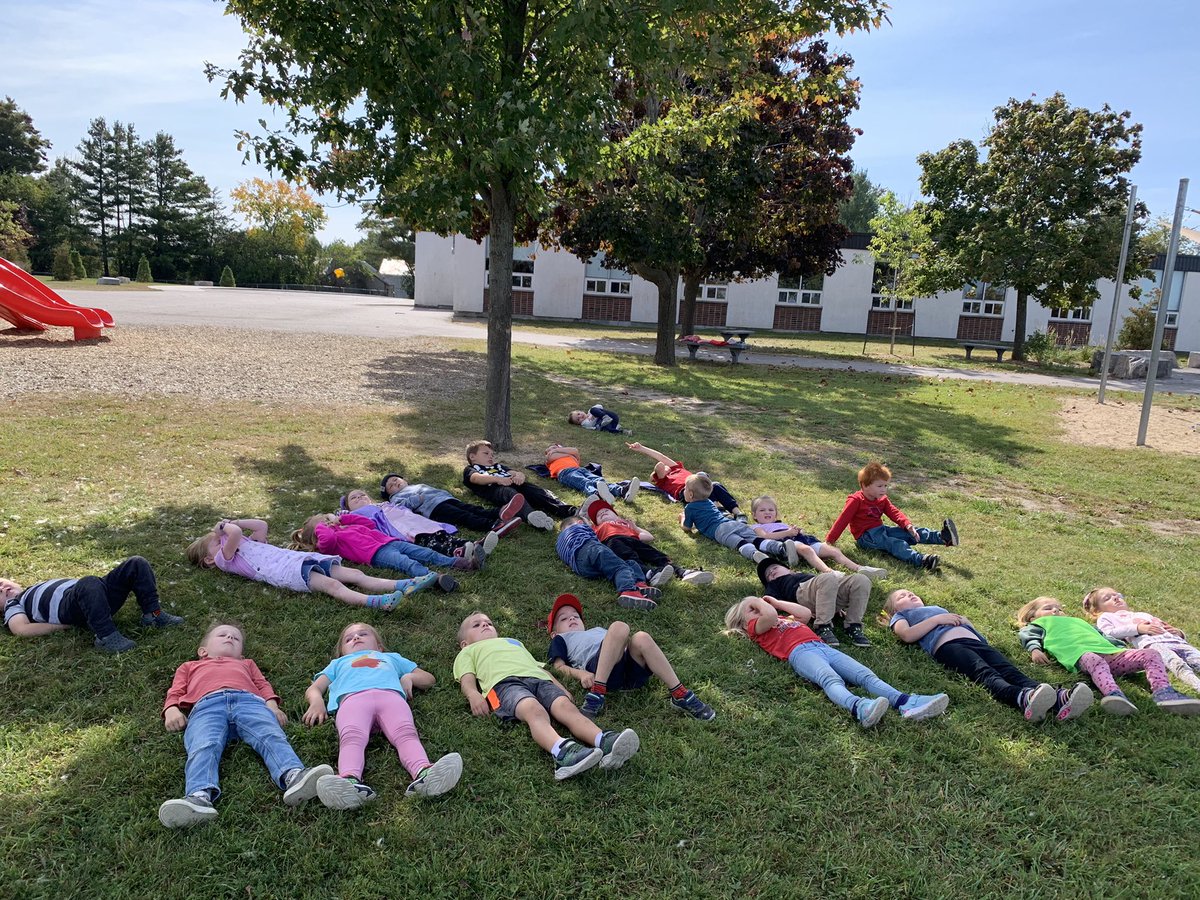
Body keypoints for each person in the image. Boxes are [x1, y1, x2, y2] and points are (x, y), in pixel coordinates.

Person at [158, 621, 339, 828]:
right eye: (223, 635)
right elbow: (176, 690)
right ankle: (198, 796)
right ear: (203, 651)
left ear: (241, 655)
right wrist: (171, 709)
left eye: (235, 638)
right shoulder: (190, 666)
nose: (229, 638)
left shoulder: (246, 664)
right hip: (207, 707)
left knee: (270, 735)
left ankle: (294, 775)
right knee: (203, 744)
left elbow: (262, 684)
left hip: (250, 703)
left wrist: (272, 706)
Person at [453, 611, 640, 781]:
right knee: (534, 710)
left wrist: (560, 687)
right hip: (503, 685)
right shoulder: (468, 651)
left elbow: (536, 667)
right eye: (476, 625)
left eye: (488, 622)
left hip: (539, 679)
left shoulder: (514, 642)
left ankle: (602, 740)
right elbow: (466, 677)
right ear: (464, 643)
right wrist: (473, 695)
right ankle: (562, 752)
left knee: (566, 707)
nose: (485, 625)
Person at [302, 622, 463, 808]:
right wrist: (316, 702)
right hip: (353, 702)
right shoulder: (338, 664)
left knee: (406, 733)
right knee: (351, 737)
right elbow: (315, 688)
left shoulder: (391, 658)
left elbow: (428, 678)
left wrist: (408, 677)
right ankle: (349, 781)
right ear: (342, 652)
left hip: (391, 699)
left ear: (379, 646)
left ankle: (424, 772)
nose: (356, 638)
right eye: (349, 638)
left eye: (363, 634)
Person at [724, 595, 950, 728]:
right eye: (752, 611)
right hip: (799, 653)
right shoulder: (756, 628)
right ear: (744, 624)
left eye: (757, 607)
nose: (759, 610)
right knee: (830, 679)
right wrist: (753, 599)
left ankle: (905, 703)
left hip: (821, 646)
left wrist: (774, 601)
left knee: (865, 675)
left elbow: (804, 613)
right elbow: (769, 616)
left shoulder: (781, 618)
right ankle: (859, 707)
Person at [883, 589, 1093, 722]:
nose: (909, 595)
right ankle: (1021, 698)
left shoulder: (936, 608)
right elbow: (907, 635)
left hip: (976, 643)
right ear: (893, 610)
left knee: (1010, 670)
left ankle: (1056, 698)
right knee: (985, 674)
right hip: (949, 647)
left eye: (911, 593)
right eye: (901, 596)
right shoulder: (903, 616)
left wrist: (966, 622)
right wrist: (939, 620)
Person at [186, 518, 436, 610]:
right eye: (218, 541)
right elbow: (236, 534)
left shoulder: (247, 543)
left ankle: (405, 584)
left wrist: (235, 520)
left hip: (298, 559)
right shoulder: (224, 559)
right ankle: (374, 602)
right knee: (332, 585)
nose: (223, 539)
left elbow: (261, 525)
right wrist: (223, 527)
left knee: (353, 573)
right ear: (210, 559)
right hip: (286, 571)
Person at [1016, 597, 1200, 716]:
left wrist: (1120, 647)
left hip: (1114, 655)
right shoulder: (1039, 624)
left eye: (1059, 609)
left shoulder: (1078, 621)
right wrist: (1035, 649)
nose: (1056, 611)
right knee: (1095, 660)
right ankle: (1114, 695)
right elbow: (1027, 635)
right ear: (1032, 617)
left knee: (1151, 654)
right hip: (1081, 655)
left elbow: (1105, 635)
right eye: (1048, 608)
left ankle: (1163, 692)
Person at [546, 593, 715, 721]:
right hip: (603, 672)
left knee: (641, 637)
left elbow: (617, 641)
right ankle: (597, 693)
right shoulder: (562, 639)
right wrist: (581, 674)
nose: (572, 618)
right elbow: (558, 667)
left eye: (576, 615)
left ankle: (680, 693)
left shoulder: (596, 630)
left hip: (630, 667)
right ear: (554, 633)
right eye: (564, 618)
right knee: (619, 627)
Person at [2, 556, 182, 654]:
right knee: (88, 582)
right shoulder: (15, 603)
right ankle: (106, 637)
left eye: (1, 582)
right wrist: (62, 626)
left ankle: (153, 614)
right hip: (72, 606)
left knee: (136, 563)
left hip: (95, 593)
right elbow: (21, 629)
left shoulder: (33, 587)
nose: (2, 588)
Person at [291, 512, 481, 592]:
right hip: (376, 554)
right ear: (318, 533)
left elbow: (369, 523)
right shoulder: (330, 542)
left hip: (389, 541)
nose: (329, 522)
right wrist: (322, 527)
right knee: (408, 564)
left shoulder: (344, 527)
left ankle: (460, 563)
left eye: (327, 519)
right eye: (324, 522)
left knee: (426, 553)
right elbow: (328, 538)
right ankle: (434, 579)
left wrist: (344, 518)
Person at [825, 461, 957, 571]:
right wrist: (829, 541)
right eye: (879, 486)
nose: (884, 489)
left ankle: (944, 537)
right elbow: (842, 520)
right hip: (866, 537)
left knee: (910, 533)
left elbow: (894, 512)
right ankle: (921, 561)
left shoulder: (882, 499)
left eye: (886, 485)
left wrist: (907, 525)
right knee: (895, 543)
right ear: (865, 485)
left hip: (881, 530)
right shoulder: (856, 501)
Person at [580, 495, 714, 588]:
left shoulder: (627, 524)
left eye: (605, 510)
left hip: (633, 539)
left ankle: (683, 572)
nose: (602, 513)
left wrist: (635, 528)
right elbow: (584, 525)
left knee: (656, 555)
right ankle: (649, 574)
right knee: (630, 558)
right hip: (613, 541)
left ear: (617, 515)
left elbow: (649, 537)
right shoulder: (596, 528)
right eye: (598, 515)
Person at [1084, 586, 1200, 694]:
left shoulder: (1142, 614)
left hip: (1176, 641)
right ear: (1097, 610)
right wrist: (1137, 629)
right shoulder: (1107, 617)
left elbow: (1163, 626)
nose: (1115, 598)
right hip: (1152, 644)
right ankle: (1195, 683)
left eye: (1117, 595)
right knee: (1176, 663)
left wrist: (1179, 633)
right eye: (1107, 598)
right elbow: (1109, 633)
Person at [750, 495, 887, 581]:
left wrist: (796, 530)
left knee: (833, 551)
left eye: (770, 510)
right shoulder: (756, 527)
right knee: (805, 549)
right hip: (785, 543)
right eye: (762, 510)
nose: (767, 512)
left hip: (802, 539)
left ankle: (860, 568)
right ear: (755, 515)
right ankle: (829, 572)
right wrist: (788, 533)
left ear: (776, 513)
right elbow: (766, 537)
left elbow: (797, 533)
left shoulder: (781, 524)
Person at [343, 487, 490, 560]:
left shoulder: (383, 504)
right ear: (348, 507)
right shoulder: (352, 515)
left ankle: (474, 545)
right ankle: (456, 552)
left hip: (413, 520)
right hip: (400, 528)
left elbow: (405, 505)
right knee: (428, 541)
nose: (359, 497)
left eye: (362, 494)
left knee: (439, 533)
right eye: (353, 498)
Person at [756, 558, 872, 647]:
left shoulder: (802, 574)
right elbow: (770, 601)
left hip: (827, 592)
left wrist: (837, 607)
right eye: (768, 575)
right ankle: (823, 626)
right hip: (803, 593)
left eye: (775, 568)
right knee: (827, 578)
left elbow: (827, 588)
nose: (772, 572)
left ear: (789, 569)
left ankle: (853, 625)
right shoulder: (775, 583)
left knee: (861, 580)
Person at [556, 516, 661, 610]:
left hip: (581, 569)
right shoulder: (580, 528)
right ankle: (629, 590)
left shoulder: (559, 542)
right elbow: (596, 543)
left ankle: (639, 585)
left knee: (630, 563)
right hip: (591, 549)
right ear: (580, 522)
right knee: (620, 567)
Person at [681, 473, 791, 563]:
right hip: (733, 523)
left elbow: (687, 528)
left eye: (685, 489)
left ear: (690, 494)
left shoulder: (690, 508)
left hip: (719, 531)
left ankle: (755, 554)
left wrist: (683, 518)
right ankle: (780, 548)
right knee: (756, 539)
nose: (684, 490)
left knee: (740, 543)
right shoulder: (709, 501)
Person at [463, 439, 574, 528]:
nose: (490, 456)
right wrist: (497, 479)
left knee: (536, 491)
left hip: (515, 484)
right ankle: (531, 516)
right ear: (472, 457)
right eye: (486, 453)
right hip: (497, 490)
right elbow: (476, 478)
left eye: (492, 454)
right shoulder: (471, 469)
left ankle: (570, 510)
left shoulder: (498, 466)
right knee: (512, 495)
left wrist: (520, 475)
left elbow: (514, 472)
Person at [380, 472, 524, 538]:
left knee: (471, 508)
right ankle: (491, 525)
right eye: (390, 486)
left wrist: (448, 495)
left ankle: (500, 512)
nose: (394, 483)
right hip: (434, 509)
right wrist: (416, 500)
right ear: (389, 494)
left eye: (395, 479)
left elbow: (435, 491)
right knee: (463, 516)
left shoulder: (415, 485)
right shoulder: (395, 498)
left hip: (444, 499)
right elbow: (402, 508)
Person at [625, 441, 741, 518]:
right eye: (663, 470)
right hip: (686, 491)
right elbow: (659, 465)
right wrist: (657, 473)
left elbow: (661, 457)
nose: (666, 466)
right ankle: (719, 511)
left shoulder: (677, 468)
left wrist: (642, 448)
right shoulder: (663, 480)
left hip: (699, 483)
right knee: (700, 485)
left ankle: (738, 513)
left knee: (714, 485)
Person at [544, 443, 637, 504]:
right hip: (565, 473)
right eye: (551, 449)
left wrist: (559, 450)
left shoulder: (565, 453)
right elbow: (553, 456)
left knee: (599, 480)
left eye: (556, 447)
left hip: (580, 469)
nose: (553, 449)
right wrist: (566, 454)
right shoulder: (549, 459)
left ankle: (622, 491)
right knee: (584, 482)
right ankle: (597, 494)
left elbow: (575, 450)